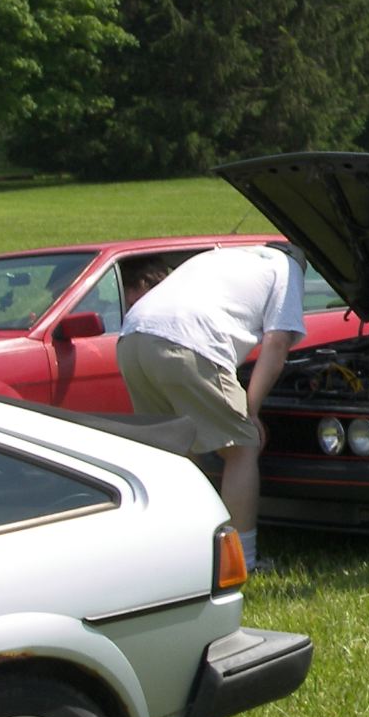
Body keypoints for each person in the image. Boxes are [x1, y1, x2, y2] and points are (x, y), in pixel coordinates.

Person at [118, 243, 307, 572]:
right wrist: (251, 411)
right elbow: (276, 344)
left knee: (174, 451)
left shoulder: (222, 257)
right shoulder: (287, 268)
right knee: (242, 446)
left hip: (131, 338)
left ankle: (178, 553)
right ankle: (240, 561)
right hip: (187, 340)